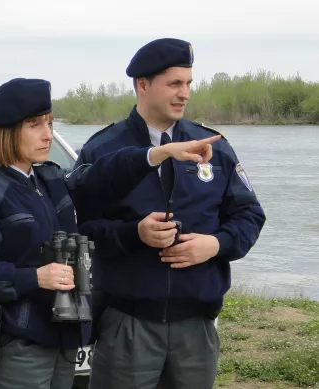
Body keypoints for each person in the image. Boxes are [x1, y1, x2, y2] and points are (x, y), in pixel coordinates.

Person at [0, 77, 222, 389]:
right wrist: (35, 277)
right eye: (35, 126)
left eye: (49, 124)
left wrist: (159, 153)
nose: (48, 135)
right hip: (20, 344)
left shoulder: (49, 181)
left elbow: (102, 174)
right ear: (7, 132)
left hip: (63, 340)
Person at [71, 38, 267, 389]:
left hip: (196, 326)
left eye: (188, 83)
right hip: (128, 324)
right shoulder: (103, 149)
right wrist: (135, 233)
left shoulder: (212, 147)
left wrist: (216, 244)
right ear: (143, 85)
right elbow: (80, 227)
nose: (184, 94)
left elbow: (249, 215)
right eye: (174, 83)